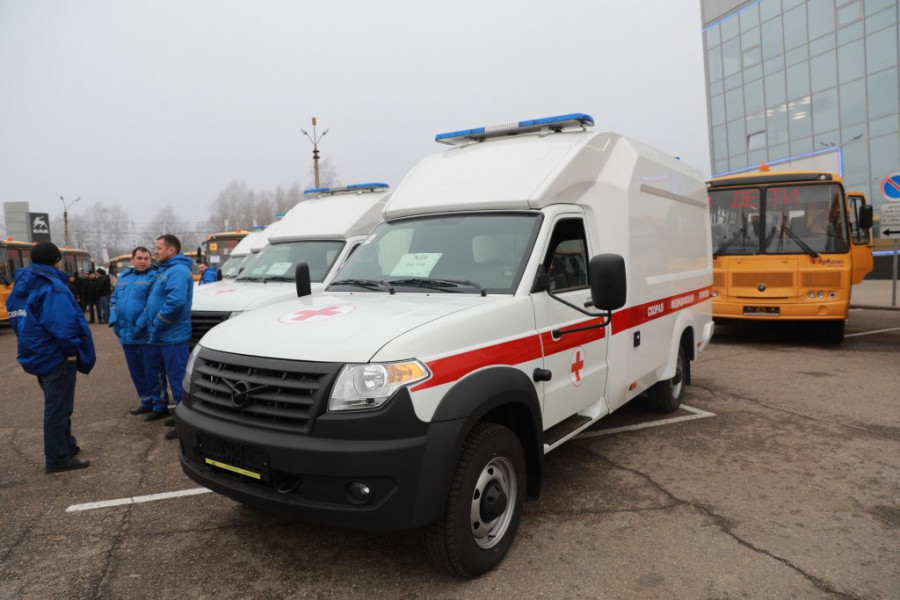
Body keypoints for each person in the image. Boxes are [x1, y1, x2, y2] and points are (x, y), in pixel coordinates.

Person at [6, 242, 96, 473]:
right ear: (56, 260)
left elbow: (17, 322)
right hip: (56, 356)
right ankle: (57, 458)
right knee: (58, 408)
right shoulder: (51, 286)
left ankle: (67, 445)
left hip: (36, 354)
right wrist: (71, 350)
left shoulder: (20, 287)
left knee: (58, 404)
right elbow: (64, 325)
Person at [137, 234, 194, 439]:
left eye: (159, 248)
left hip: (173, 336)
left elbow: (176, 302)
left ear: (171, 250)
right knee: (167, 376)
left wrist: (158, 322)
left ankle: (185, 425)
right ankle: (179, 414)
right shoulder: (166, 269)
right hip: (163, 335)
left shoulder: (178, 270)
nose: (155, 251)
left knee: (178, 381)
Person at [109, 247, 160, 416]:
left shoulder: (155, 277)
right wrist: (114, 321)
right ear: (132, 260)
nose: (143, 261)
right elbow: (114, 300)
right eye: (139, 258)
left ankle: (159, 403)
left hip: (145, 335)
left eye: (146, 258)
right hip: (125, 334)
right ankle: (146, 401)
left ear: (150, 260)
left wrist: (139, 326)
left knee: (152, 371)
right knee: (136, 371)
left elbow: (151, 306)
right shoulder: (124, 277)